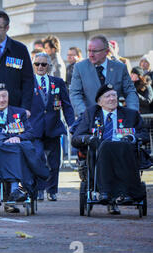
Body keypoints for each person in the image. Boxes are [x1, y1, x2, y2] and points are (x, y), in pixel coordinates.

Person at [0, 83, 48, 213]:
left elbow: (30, 133)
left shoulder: (19, 113)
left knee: (17, 147)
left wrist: (19, 137)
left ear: (8, 97)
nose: (1, 100)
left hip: (12, 150)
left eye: (4, 96)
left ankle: (14, 189)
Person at [71, 84, 148, 214]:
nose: (112, 99)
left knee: (119, 145)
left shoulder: (130, 114)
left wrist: (131, 137)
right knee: (106, 145)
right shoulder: (90, 114)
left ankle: (126, 192)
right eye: (108, 96)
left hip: (124, 153)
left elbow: (144, 135)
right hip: (99, 154)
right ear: (99, 102)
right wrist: (89, 139)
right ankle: (104, 191)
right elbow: (76, 138)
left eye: (114, 95)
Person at [29, 52, 75, 201]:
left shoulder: (58, 82)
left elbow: (66, 106)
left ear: (49, 66)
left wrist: (72, 125)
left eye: (43, 64)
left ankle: (52, 190)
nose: (40, 67)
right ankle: (40, 189)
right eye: (37, 64)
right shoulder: (28, 83)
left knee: (54, 162)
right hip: (34, 129)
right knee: (38, 158)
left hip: (53, 128)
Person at [69, 35, 139, 117]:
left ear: (106, 51)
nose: (91, 55)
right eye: (89, 51)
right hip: (90, 120)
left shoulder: (120, 68)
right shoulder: (80, 67)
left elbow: (130, 92)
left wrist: (132, 113)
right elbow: (75, 93)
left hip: (115, 118)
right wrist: (84, 115)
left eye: (95, 51)